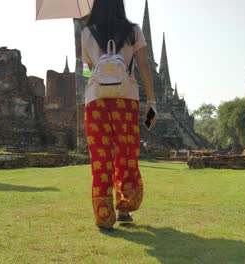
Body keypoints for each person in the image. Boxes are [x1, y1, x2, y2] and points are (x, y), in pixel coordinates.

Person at [81, 0, 157, 230]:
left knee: (100, 158)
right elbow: (144, 65)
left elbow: (87, 68)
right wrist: (151, 101)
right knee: (126, 154)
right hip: (126, 98)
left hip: (96, 100)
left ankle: (104, 216)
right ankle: (124, 208)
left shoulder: (86, 32)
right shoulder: (133, 30)